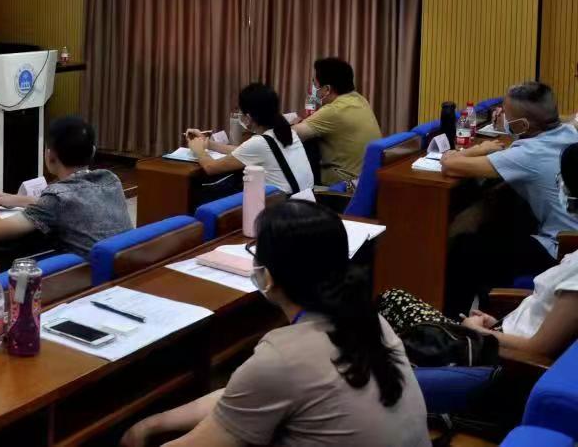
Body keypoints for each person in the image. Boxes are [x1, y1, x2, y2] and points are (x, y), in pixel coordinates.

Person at [120, 201, 428, 447]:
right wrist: (155, 423)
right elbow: (244, 397)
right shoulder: (368, 319)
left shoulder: (281, 359)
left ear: (267, 276)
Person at [380, 141, 578, 362]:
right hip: (497, 333)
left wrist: (475, 332)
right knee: (392, 304)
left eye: (562, 182)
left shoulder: (575, 277)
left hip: (490, 355)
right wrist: (495, 323)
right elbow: (538, 314)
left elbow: (536, 351)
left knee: (391, 302)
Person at [439, 81, 578, 316]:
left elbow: (450, 165)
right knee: (498, 227)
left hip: (560, 249)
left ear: (521, 125)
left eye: (505, 113)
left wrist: (478, 149)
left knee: (466, 250)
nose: (500, 116)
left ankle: (455, 321)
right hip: (572, 241)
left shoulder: (527, 154)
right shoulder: (570, 133)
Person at [0, 115, 131, 259]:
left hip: (89, 274)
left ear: (50, 156)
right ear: (93, 152)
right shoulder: (110, 179)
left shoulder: (56, 197)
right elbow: (72, 203)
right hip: (123, 266)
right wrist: (20, 200)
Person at [185, 83, 314, 194]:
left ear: (248, 117)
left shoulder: (259, 143)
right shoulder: (286, 132)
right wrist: (209, 144)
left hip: (284, 209)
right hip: (306, 203)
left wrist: (199, 151)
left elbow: (211, 167)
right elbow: (243, 151)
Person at [293, 57, 382, 182]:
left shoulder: (334, 111)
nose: (313, 89)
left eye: (315, 84)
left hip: (343, 184)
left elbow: (289, 135)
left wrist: (291, 123)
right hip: (365, 180)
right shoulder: (359, 99)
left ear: (327, 89)